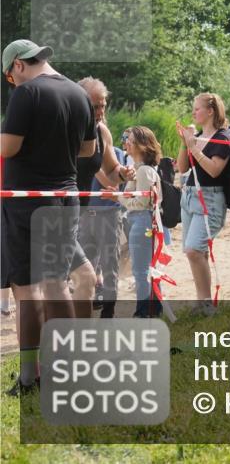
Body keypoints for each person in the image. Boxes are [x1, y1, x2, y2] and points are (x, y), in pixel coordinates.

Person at [1, 40, 96, 396]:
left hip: (27, 201)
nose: (13, 83)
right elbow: (87, 150)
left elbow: (8, 147)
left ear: (18, 65)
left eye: (10, 77)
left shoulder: (27, 94)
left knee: (27, 290)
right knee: (57, 284)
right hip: (66, 196)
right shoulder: (79, 93)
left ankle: (30, 377)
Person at [75, 77, 135, 319]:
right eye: (95, 106)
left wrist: (123, 173)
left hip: (106, 211)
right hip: (76, 211)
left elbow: (111, 175)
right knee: (83, 269)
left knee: (109, 265)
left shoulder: (102, 132)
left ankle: (108, 311)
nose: (100, 111)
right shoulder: (66, 127)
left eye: (103, 106)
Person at [174, 93, 230, 311]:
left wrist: (194, 148)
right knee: (195, 252)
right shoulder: (198, 136)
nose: (193, 112)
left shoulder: (223, 137)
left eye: (197, 108)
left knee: (193, 250)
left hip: (210, 198)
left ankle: (205, 302)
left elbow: (214, 170)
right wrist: (185, 143)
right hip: (190, 197)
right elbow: (182, 168)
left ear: (210, 111)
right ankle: (202, 302)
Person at [120, 127, 164, 318]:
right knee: (145, 269)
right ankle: (153, 309)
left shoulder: (145, 170)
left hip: (141, 220)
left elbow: (140, 203)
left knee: (141, 271)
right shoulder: (140, 169)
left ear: (141, 145)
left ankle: (144, 311)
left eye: (130, 140)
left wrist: (117, 198)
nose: (126, 143)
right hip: (140, 220)